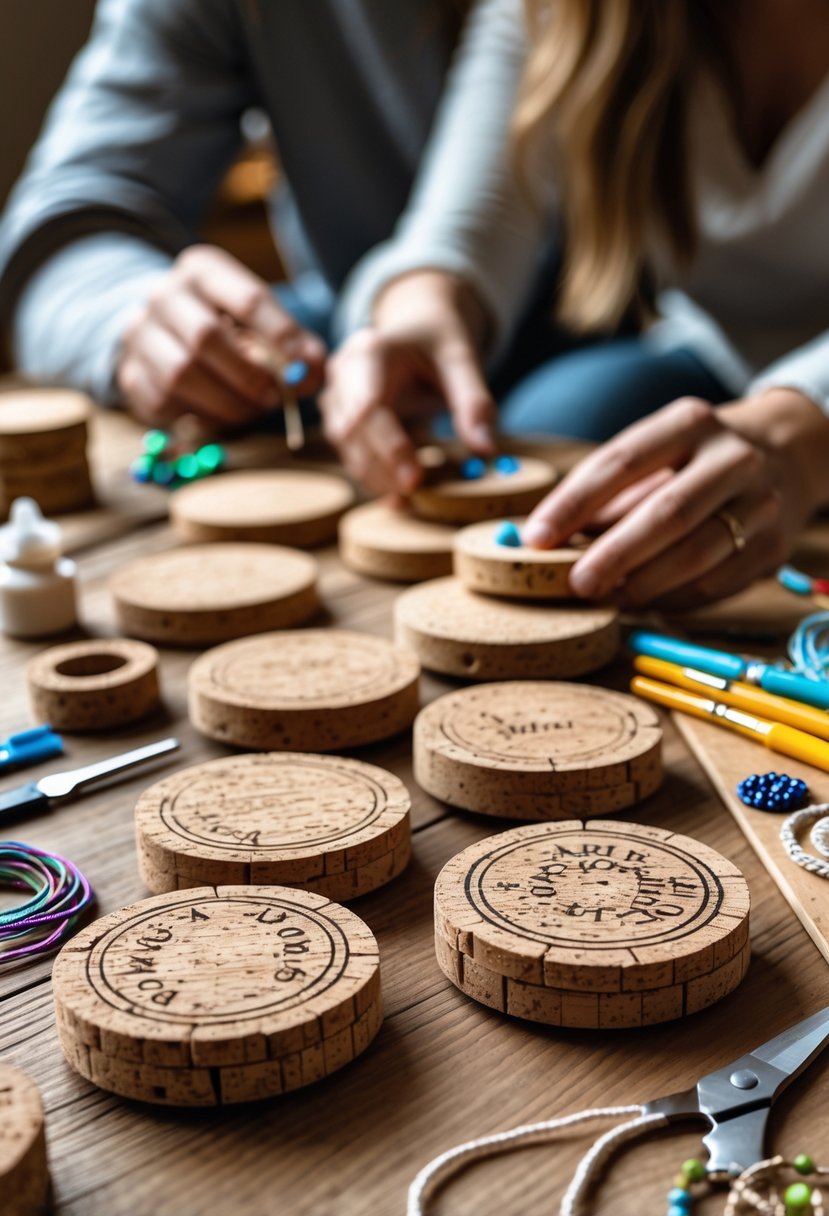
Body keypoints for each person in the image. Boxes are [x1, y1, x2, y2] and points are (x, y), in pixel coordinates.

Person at [323, 0, 829, 609]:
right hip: (718, 353)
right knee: (561, 416)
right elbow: (468, 221)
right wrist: (418, 309)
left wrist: (802, 433)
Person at [0, 0, 550, 436]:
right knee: (244, 370)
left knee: (568, 414)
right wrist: (131, 324)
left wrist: (431, 291)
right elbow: (69, 208)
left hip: (608, 344)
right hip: (361, 331)